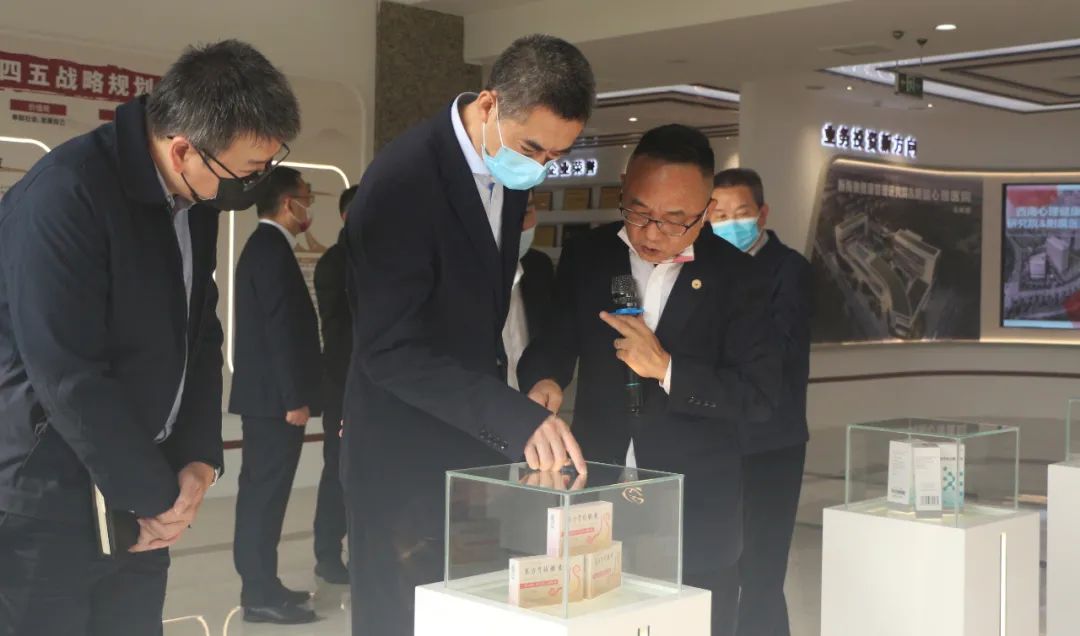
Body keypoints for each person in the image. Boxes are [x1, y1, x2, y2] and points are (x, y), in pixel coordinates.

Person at [0, 40, 298, 636]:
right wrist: (154, 496)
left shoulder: (195, 195)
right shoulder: (66, 195)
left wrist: (198, 461)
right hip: (47, 493)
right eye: (246, 171)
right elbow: (67, 373)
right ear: (183, 149)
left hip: (145, 484)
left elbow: (200, 333)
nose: (253, 184)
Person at [342, 34, 595, 635]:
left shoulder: (509, 168)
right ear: (488, 104)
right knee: (400, 618)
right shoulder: (403, 181)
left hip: (465, 448)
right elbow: (390, 350)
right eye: (534, 148)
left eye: (556, 155)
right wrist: (512, 418)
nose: (540, 167)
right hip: (400, 451)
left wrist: (525, 390)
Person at [518, 125, 780, 636]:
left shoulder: (742, 278)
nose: (652, 233)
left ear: (706, 209)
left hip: (695, 504)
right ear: (623, 189)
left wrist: (667, 369)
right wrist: (544, 378)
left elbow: (760, 396)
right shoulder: (589, 255)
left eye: (675, 219)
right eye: (638, 212)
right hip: (596, 490)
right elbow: (554, 340)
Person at [711, 168, 812, 636]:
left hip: (771, 442)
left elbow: (778, 353)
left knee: (762, 568)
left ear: (762, 213)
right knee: (718, 565)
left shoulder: (789, 269)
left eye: (741, 213)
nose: (729, 223)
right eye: (718, 215)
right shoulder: (704, 266)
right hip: (716, 441)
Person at [229, 167, 322, 624]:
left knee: (265, 496)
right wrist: (293, 397)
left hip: (268, 399)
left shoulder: (267, 247)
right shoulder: (270, 250)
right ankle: (258, 593)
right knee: (263, 498)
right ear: (289, 203)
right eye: (307, 197)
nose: (309, 207)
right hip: (273, 402)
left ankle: (265, 582)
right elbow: (279, 330)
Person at [311, 184, 357, 584]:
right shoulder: (335, 262)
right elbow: (341, 332)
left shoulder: (377, 259)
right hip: (344, 385)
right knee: (337, 472)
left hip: (376, 387)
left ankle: (365, 551)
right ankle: (327, 554)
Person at [503, 190, 556, 390]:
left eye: (525, 212)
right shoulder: (449, 277)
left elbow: (547, 343)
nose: (516, 226)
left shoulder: (539, 267)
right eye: (503, 215)